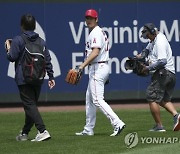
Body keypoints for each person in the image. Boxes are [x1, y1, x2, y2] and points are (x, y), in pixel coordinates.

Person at [5, 14, 55, 141]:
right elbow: (47, 60)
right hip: (38, 78)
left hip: (24, 78)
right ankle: (25, 133)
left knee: (30, 106)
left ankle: (42, 131)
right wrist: (51, 77)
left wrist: (8, 48)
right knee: (31, 106)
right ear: (34, 26)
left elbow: (11, 57)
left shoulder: (18, 40)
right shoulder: (41, 42)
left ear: (22, 26)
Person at [75, 9, 125, 136]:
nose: (89, 20)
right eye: (87, 18)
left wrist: (81, 66)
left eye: (91, 18)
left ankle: (117, 123)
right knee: (90, 99)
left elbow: (95, 52)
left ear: (96, 19)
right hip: (98, 67)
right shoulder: (96, 32)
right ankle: (88, 129)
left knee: (97, 99)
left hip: (98, 67)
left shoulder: (96, 33)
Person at [139, 23, 180, 132]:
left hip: (163, 73)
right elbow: (147, 50)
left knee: (151, 96)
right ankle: (177, 116)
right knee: (162, 99)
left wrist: (147, 68)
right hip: (170, 74)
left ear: (152, 32)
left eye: (148, 35)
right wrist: (140, 56)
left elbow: (162, 61)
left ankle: (159, 126)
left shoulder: (160, 42)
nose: (147, 37)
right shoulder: (154, 39)